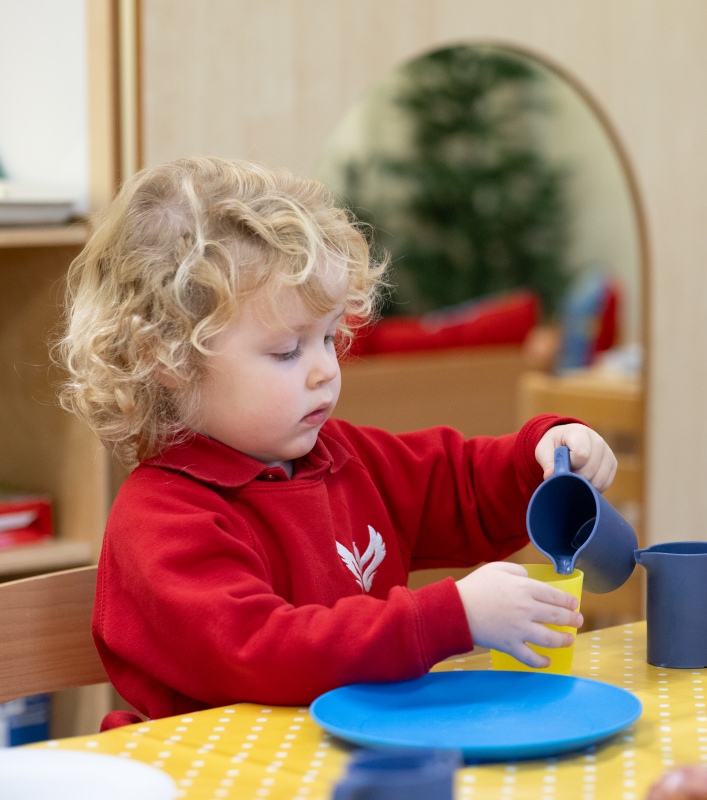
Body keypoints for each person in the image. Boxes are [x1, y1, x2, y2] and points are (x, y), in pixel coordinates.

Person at [56, 156, 617, 725]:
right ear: (168, 357)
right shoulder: (160, 520)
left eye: (328, 338)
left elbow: (458, 483)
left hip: (346, 761)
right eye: (287, 351)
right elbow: (265, 650)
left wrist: (541, 453)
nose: (325, 369)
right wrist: (452, 616)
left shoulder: (343, 457)